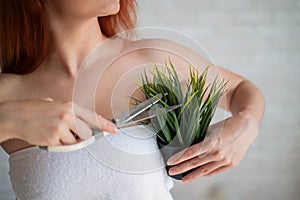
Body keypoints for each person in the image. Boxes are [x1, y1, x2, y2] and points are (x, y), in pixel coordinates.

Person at [0, 0, 265, 199]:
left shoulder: (150, 61)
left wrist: (247, 124)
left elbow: (240, 89)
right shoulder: (8, 93)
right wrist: (7, 121)